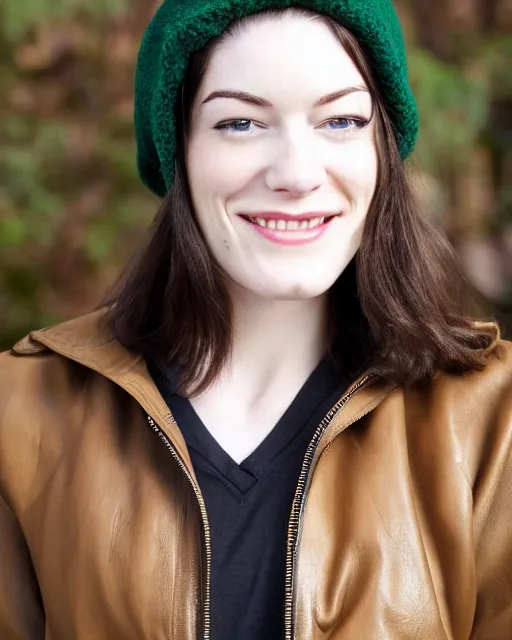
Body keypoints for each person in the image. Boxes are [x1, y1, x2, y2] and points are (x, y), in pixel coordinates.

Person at [0, 1, 511, 638]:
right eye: (240, 123)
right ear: (178, 149)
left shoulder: (496, 421)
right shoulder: (20, 412)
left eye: (343, 120)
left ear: (382, 148)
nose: (297, 174)